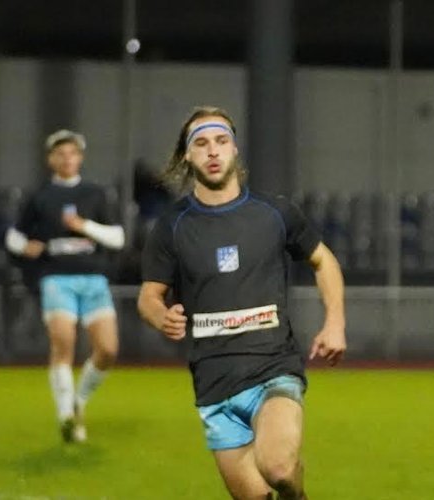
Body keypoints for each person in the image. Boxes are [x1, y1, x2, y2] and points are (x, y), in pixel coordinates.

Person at [137, 106, 346, 500]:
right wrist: (161, 317)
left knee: (279, 469)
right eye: (200, 143)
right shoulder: (172, 227)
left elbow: (324, 260)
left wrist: (334, 322)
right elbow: (149, 296)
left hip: (273, 368)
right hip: (213, 382)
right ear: (187, 155)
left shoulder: (274, 212)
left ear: (234, 149)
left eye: (220, 141)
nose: (212, 151)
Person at [5, 129, 126, 443]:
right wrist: (25, 247)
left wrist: (83, 226)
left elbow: (118, 238)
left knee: (108, 350)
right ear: (50, 159)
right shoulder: (40, 196)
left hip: (94, 279)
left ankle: (79, 400)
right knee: (63, 345)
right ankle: (66, 416)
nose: (67, 158)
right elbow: (14, 236)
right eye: (60, 153)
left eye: (72, 153)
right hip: (57, 278)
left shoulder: (96, 194)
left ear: (80, 157)